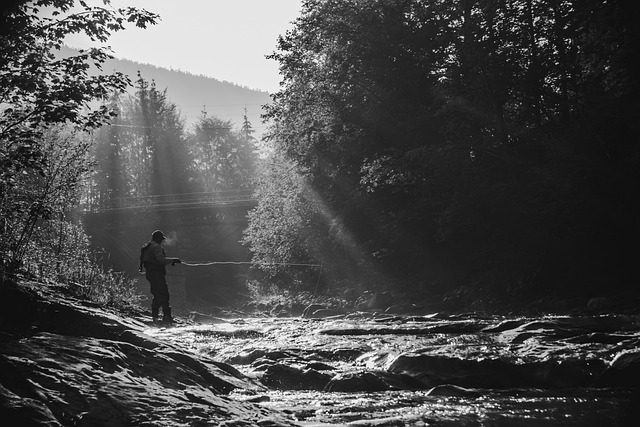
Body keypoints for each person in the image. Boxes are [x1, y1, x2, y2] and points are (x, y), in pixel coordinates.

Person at [140, 230, 181, 323]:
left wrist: (171, 261)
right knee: (164, 294)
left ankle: (155, 318)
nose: (161, 241)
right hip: (157, 274)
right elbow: (161, 260)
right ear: (157, 238)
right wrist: (173, 260)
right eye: (160, 239)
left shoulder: (147, 246)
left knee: (157, 295)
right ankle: (167, 317)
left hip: (150, 274)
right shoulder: (156, 247)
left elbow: (153, 261)